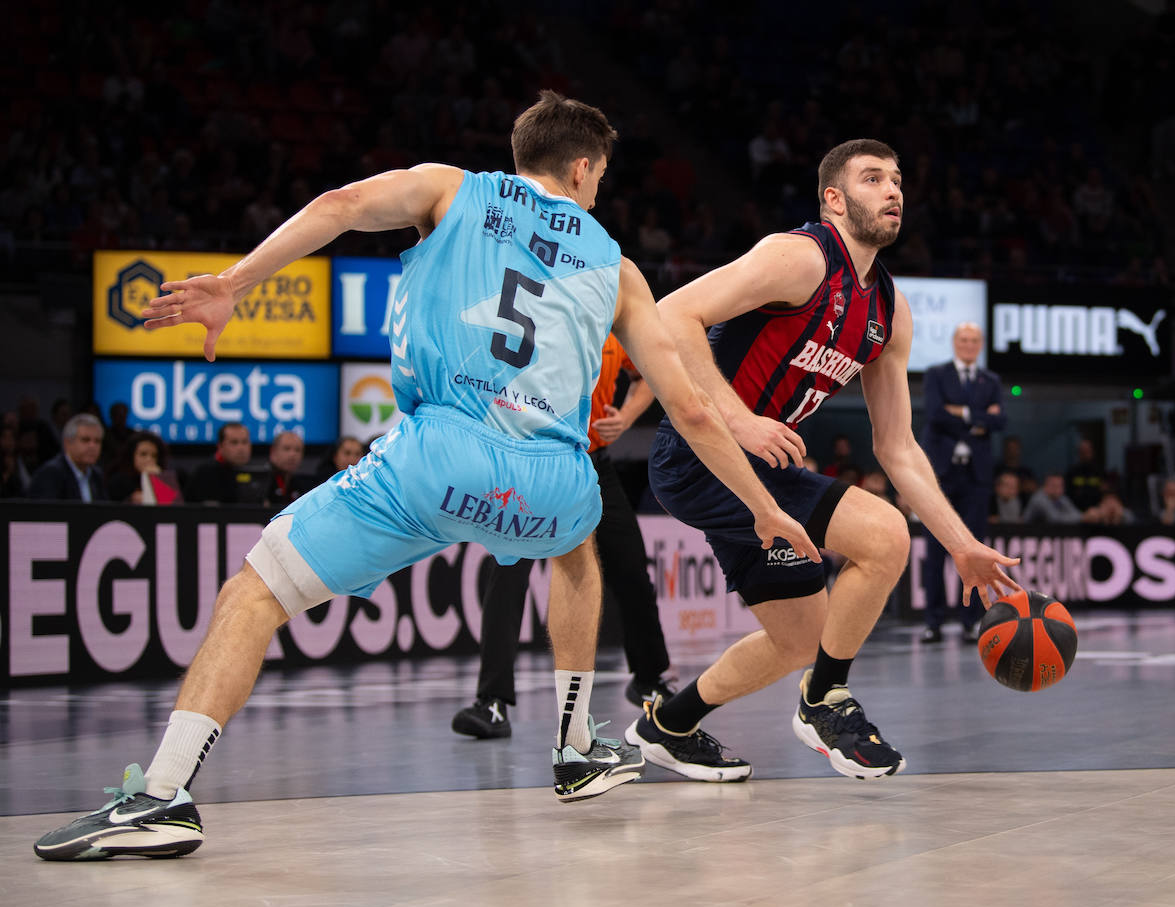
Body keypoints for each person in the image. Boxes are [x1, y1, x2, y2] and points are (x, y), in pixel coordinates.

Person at [34, 91, 819, 861]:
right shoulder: (616, 266)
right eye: (603, 175)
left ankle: (163, 796)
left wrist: (234, 283)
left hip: (440, 456)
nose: (600, 188)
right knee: (577, 552)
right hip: (555, 481)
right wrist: (761, 509)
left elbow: (340, 204)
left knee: (255, 593)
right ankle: (576, 745)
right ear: (583, 168)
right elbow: (690, 408)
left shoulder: (453, 188)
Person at [627, 139, 1019, 784]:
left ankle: (668, 724)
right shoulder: (800, 257)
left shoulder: (890, 311)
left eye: (897, 180)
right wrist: (740, 419)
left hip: (762, 471)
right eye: (872, 179)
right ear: (834, 200)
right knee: (883, 534)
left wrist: (962, 545)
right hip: (701, 455)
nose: (893, 191)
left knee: (798, 640)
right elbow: (671, 315)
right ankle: (824, 702)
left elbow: (896, 446)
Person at [450, 333, 676, 738]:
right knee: (508, 574)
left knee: (630, 569)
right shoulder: (537, 314)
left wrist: (626, 416)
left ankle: (649, 678)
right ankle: (492, 702)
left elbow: (649, 376)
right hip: (527, 461)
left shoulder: (612, 321)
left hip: (592, 461)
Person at [920, 322, 1005, 644]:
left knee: (975, 551)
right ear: (955, 342)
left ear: (980, 345)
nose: (969, 345)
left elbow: (1001, 420)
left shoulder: (991, 380)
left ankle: (971, 621)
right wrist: (978, 418)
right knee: (935, 550)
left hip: (976, 477)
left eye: (974, 340)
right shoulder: (936, 374)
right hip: (940, 476)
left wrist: (962, 412)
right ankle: (933, 622)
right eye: (964, 339)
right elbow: (935, 414)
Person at [26, 413, 107, 502]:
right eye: (85, 440)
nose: (92, 446)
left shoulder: (96, 476)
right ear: (67, 443)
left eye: (97, 441)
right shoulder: (51, 474)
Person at [185, 422, 263, 504]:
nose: (241, 448)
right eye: (234, 442)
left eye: (244, 442)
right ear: (220, 446)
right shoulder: (205, 473)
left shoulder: (259, 473)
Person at [107, 431, 183, 504]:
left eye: (154, 456)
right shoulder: (118, 481)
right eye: (143, 454)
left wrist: (157, 479)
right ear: (131, 455)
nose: (149, 459)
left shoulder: (164, 479)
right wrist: (131, 500)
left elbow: (172, 509)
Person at [263, 430, 308, 506]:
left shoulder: (304, 486)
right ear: (273, 452)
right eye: (286, 449)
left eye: (297, 450)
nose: (292, 455)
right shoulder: (262, 481)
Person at [1063, 438, 1104, 512]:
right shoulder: (1072, 472)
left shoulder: (1098, 471)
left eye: (1087, 451)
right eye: (1082, 451)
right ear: (1078, 453)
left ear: (1092, 452)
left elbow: (1103, 491)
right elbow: (1067, 494)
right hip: (1075, 512)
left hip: (1096, 512)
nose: (1085, 454)